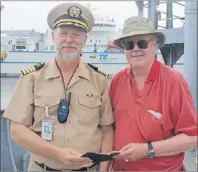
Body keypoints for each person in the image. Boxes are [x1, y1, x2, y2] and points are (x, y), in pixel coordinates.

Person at [3, 2, 114, 171]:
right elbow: (17, 130)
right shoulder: (32, 78)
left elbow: (107, 130)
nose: (69, 40)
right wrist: (57, 154)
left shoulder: (99, 80)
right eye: (63, 33)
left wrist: (104, 170)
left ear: (85, 39)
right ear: (54, 36)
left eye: (76, 34)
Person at [109, 16, 197, 171]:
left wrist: (147, 150)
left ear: (155, 45)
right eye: (129, 44)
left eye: (142, 43)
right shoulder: (117, 80)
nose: (135, 49)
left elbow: (191, 137)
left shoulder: (174, 82)